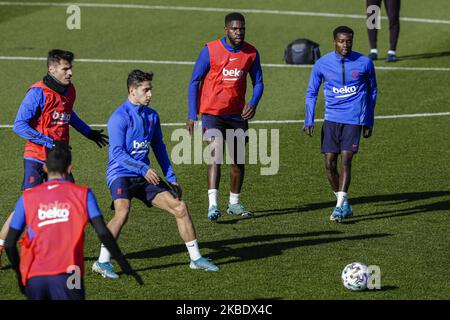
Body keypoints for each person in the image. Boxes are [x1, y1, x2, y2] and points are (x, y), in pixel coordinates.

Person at [92, 69, 219, 279]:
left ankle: (196, 259)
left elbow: (158, 147)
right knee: (122, 211)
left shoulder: (152, 116)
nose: (150, 94)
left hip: (145, 176)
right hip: (120, 173)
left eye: (150, 89)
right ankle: (102, 262)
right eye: (146, 90)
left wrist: (171, 177)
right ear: (133, 91)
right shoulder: (118, 118)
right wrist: (143, 168)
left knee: (180, 207)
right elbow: (116, 153)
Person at [0, 49, 108, 269]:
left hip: (58, 161)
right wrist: (49, 143)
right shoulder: (37, 92)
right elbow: (19, 125)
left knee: (68, 207)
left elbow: (69, 113)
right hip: (36, 159)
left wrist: (88, 132)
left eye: (71, 68)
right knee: (28, 207)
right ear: (52, 69)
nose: (70, 73)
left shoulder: (69, 91)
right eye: (65, 69)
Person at [4, 146, 135, 300]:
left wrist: (20, 277)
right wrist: (123, 263)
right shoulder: (83, 194)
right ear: (70, 168)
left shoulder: (27, 198)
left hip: (35, 276)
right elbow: (103, 233)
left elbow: (9, 244)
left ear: (45, 167)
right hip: (71, 274)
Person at [187, 12, 264, 221]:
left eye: (242, 29)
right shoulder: (210, 50)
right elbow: (195, 81)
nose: (239, 32)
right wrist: (191, 113)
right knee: (215, 155)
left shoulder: (251, 53)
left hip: (238, 115)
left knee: (238, 161)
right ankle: (213, 206)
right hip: (213, 113)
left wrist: (253, 103)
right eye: (235, 29)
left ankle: (234, 204)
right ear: (226, 29)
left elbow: (259, 82)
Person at [303, 26, 378, 222]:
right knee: (329, 163)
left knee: (346, 160)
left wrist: (368, 119)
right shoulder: (322, 64)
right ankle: (344, 202)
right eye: (342, 41)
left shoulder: (364, 63)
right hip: (331, 119)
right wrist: (309, 118)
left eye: (349, 41)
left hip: (353, 119)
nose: (346, 45)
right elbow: (311, 92)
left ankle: (338, 207)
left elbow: (372, 91)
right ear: (334, 41)